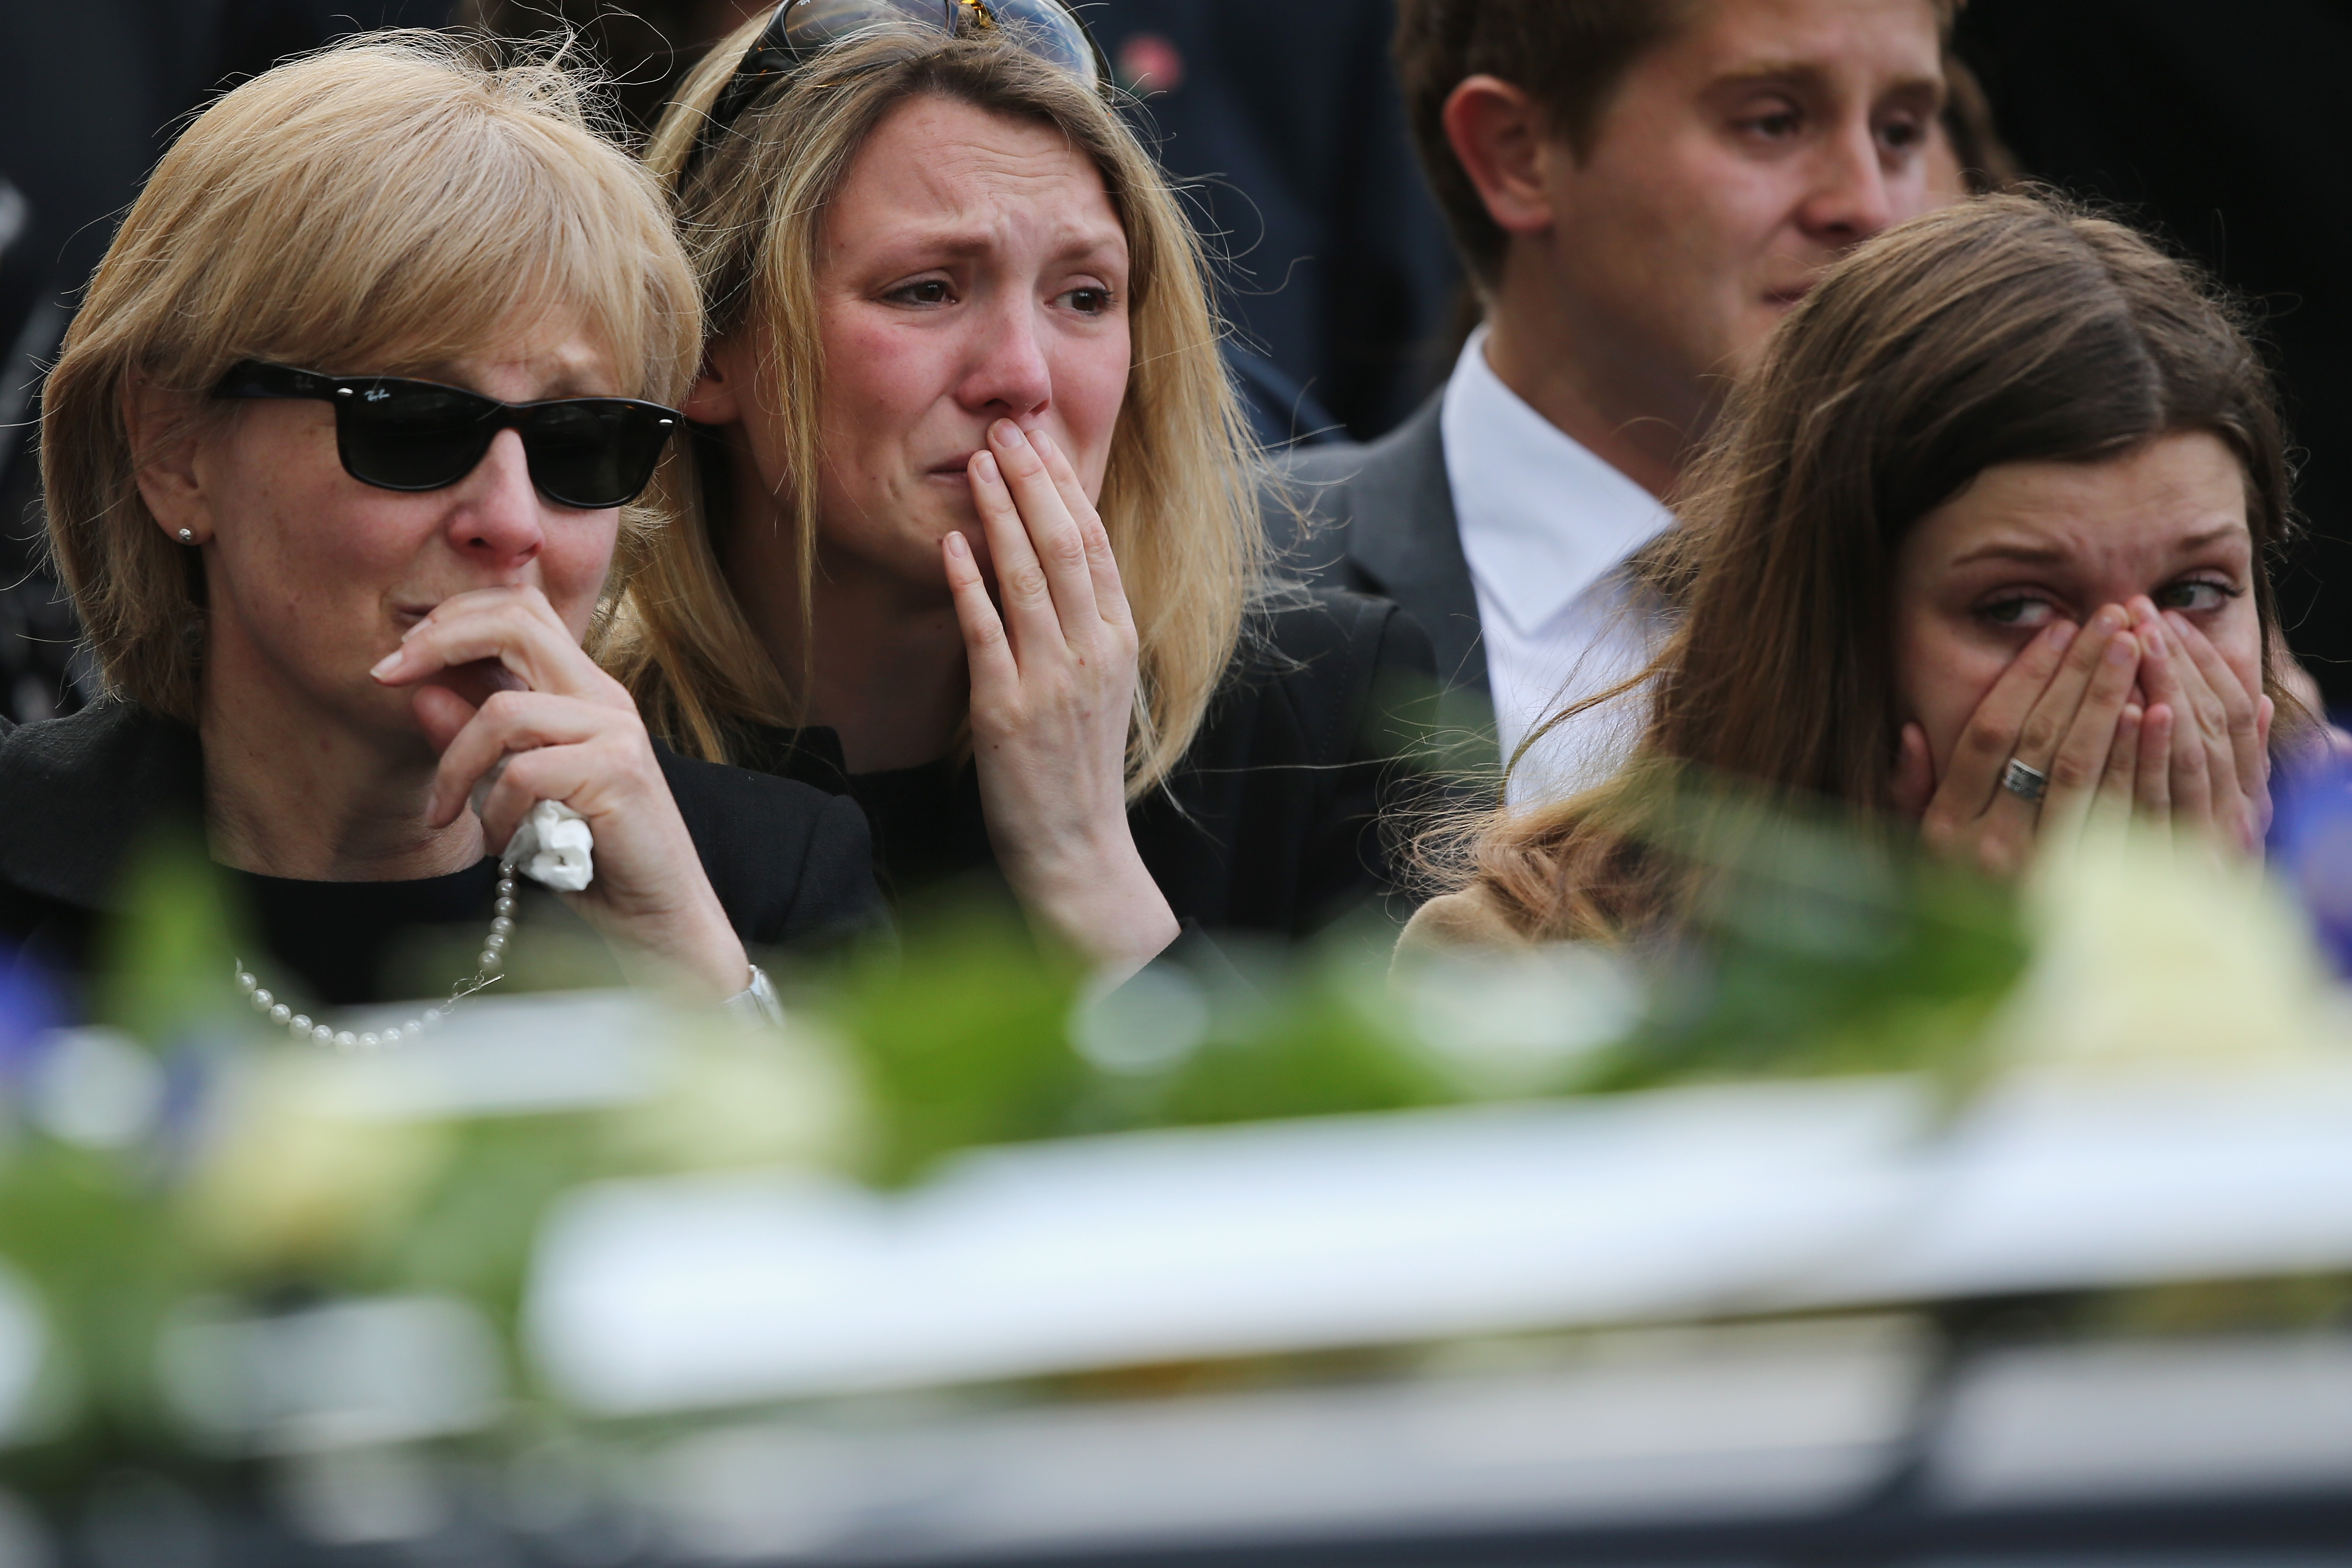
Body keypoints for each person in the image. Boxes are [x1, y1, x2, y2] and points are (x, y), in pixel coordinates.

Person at [10, 36, 883, 1029]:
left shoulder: (766, 882)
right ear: (175, 449)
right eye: (414, 422)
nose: (510, 521)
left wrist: (694, 970)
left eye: (580, 441)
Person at [611, 2, 1435, 985]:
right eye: (927, 289)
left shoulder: (1324, 707)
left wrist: (1083, 860)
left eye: (1083, 297)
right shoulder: (581, 757)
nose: (1022, 375)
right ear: (703, 348)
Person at [1400, 195, 2297, 953]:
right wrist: (1974, 967)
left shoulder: (2328, 913)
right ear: (1831, 619)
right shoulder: (1522, 962)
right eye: (2017, 607)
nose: (2132, 677)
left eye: (2194, 593)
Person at [1279, 0, 1953, 799]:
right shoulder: (1226, 588)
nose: (1868, 206)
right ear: (1516, 154)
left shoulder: (1998, 591)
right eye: (1773, 123)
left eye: (1899, 133)